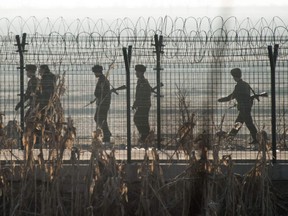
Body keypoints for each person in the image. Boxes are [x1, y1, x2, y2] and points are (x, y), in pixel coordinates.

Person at [218, 68, 258, 145]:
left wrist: (221, 100)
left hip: (243, 109)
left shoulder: (239, 86)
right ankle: (230, 138)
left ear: (235, 77)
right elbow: (245, 97)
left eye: (233, 77)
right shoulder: (246, 84)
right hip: (246, 108)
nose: (233, 78)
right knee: (239, 124)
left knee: (247, 124)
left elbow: (231, 96)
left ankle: (257, 140)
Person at [132, 64, 152, 144]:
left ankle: (144, 136)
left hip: (144, 105)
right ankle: (145, 136)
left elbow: (142, 94)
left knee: (138, 119)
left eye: (137, 72)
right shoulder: (142, 81)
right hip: (143, 104)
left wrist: (137, 103)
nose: (136, 73)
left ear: (140, 72)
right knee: (142, 120)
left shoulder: (143, 82)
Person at [92, 64, 112, 144]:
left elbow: (102, 93)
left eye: (95, 72)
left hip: (103, 103)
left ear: (97, 72)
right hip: (102, 102)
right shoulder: (102, 79)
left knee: (99, 118)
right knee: (100, 118)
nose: (94, 74)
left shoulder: (103, 80)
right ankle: (107, 134)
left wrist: (99, 97)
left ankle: (107, 135)